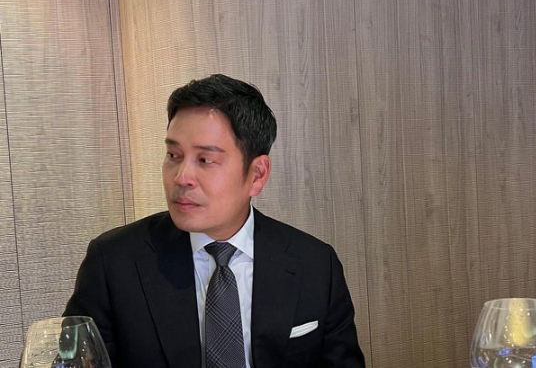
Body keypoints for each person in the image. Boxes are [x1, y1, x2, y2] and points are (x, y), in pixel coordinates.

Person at [65, 74, 365, 368]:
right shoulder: (113, 263)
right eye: (173, 155)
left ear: (257, 174)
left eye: (205, 160)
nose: (182, 177)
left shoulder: (315, 265)